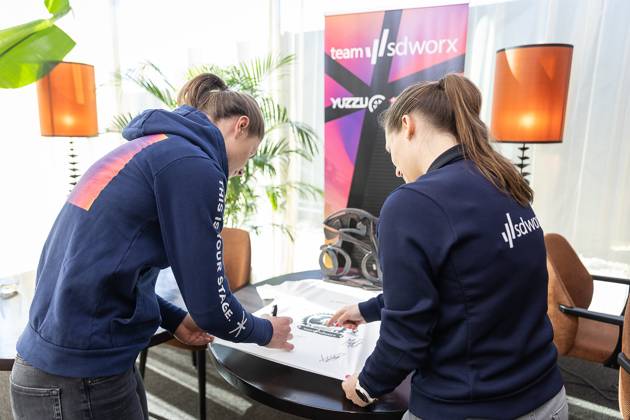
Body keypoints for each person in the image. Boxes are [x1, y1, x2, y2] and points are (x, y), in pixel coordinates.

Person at [10, 73, 294, 420]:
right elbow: (209, 303)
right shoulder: (195, 165)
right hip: (80, 374)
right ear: (240, 125)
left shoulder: (147, 148)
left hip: (62, 361)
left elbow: (108, 270)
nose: (239, 171)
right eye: (248, 155)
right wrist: (264, 331)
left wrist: (173, 318)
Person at [328, 74, 567, 420]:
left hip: (468, 406)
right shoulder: (504, 182)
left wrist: (365, 385)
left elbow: (405, 337)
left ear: (407, 126)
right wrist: (367, 309)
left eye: (390, 150)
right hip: (547, 397)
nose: (395, 168)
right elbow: (469, 284)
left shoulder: (411, 204)